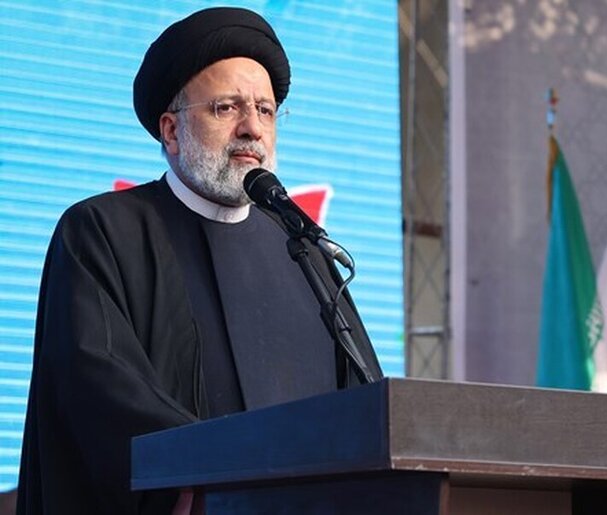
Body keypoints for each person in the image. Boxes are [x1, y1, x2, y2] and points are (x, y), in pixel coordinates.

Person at [16, 7, 382, 514]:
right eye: (226, 108)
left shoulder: (303, 252)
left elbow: (364, 399)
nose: (252, 128)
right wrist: (215, 470)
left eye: (265, 110)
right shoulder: (103, 230)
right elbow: (96, 391)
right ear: (171, 131)